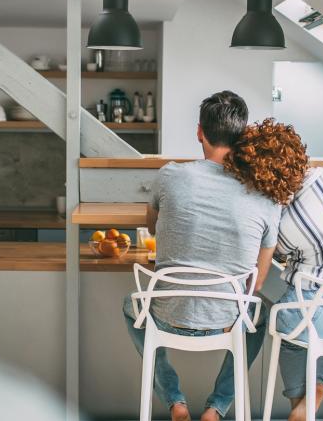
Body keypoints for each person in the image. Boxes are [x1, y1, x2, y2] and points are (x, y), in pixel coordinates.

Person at [122, 91, 293, 421]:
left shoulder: (170, 175)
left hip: (167, 317)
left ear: (200, 131)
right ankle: (217, 408)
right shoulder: (264, 194)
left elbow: (152, 227)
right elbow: (255, 283)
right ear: (243, 135)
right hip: (226, 324)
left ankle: (174, 401)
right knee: (261, 315)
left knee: (130, 306)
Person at [223, 119, 323, 421]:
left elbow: (264, 261)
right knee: (322, 320)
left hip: (317, 321)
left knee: (287, 317)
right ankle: (316, 392)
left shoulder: (285, 223)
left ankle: (301, 401)